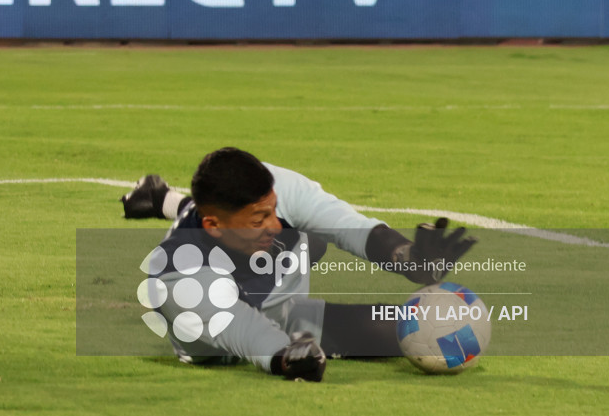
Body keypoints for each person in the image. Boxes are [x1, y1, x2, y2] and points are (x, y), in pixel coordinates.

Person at [122, 147, 476, 382]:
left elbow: (350, 226)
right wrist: (288, 359)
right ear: (214, 225)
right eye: (259, 218)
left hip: (282, 305)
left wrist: (407, 258)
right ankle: (164, 200)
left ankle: (162, 198)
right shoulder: (176, 277)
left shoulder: (277, 186)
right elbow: (247, 334)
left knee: (313, 239)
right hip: (222, 344)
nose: (275, 224)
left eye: (272, 210)